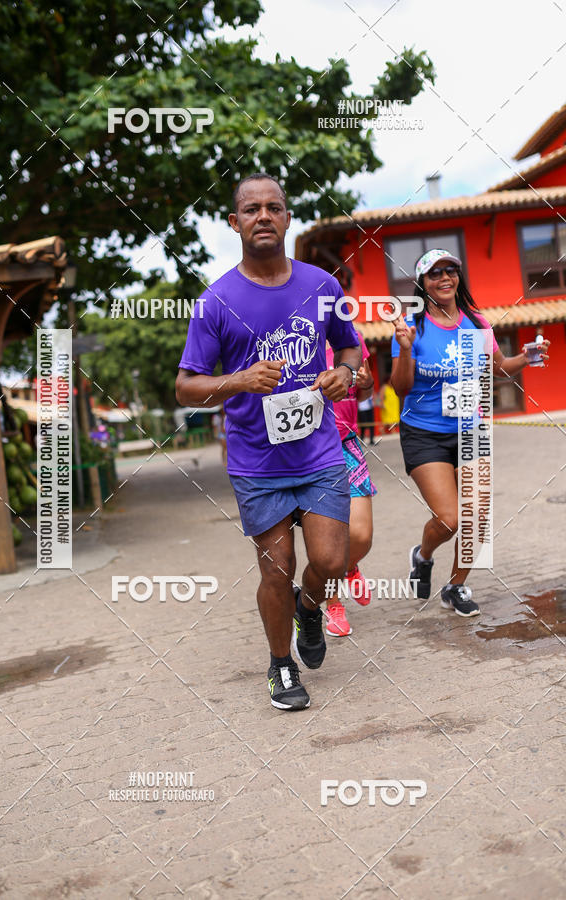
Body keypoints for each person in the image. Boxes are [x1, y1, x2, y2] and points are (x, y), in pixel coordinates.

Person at [175, 173, 362, 710]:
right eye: (251, 209)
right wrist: (238, 380)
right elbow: (187, 385)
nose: (263, 216)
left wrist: (344, 375)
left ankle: (311, 608)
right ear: (235, 223)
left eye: (273, 207)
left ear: (286, 218)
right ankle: (281, 666)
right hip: (258, 462)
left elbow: (351, 350)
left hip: (320, 451)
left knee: (330, 560)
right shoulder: (216, 300)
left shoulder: (323, 287)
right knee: (275, 567)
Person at [391, 248, 550, 617]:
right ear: (423, 283)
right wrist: (402, 350)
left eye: (451, 271)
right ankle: (423, 554)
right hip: (424, 432)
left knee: (477, 516)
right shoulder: (413, 325)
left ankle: (456, 586)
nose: (445, 278)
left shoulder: (477, 323)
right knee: (449, 519)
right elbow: (400, 388)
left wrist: (526, 358)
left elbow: (499, 368)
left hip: (470, 429)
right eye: (435, 274)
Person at [324, 335, 377, 637]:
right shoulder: (291, 335)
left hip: (347, 445)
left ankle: (349, 567)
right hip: (311, 450)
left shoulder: (351, 337)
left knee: (361, 535)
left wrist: (367, 383)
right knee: (330, 536)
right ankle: (333, 604)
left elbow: (363, 392)